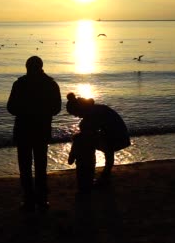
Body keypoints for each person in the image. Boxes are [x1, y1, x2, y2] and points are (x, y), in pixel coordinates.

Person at [7, 56, 61, 211]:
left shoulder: (19, 84)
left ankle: (28, 199)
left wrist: (25, 111)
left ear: (27, 67)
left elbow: (10, 108)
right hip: (42, 129)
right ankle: (42, 199)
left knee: (25, 166)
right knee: (41, 165)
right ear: (41, 67)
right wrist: (42, 112)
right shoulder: (51, 84)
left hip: (23, 129)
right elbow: (56, 109)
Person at [66, 92, 130, 185]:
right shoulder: (94, 109)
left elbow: (89, 131)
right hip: (116, 132)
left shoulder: (93, 113)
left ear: (79, 109)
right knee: (104, 148)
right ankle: (105, 173)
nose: (76, 116)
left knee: (93, 144)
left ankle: (102, 173)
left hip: (116, 134)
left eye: (75, 113)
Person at [67, 129, 97, 194]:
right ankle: (88, 186)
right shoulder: (92, 138)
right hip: (90, 161)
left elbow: (73, 152)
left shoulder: (77, 140)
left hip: (81, 162)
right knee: (89, 174)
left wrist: (70, 160)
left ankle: (82, 188)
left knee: (81, 176)